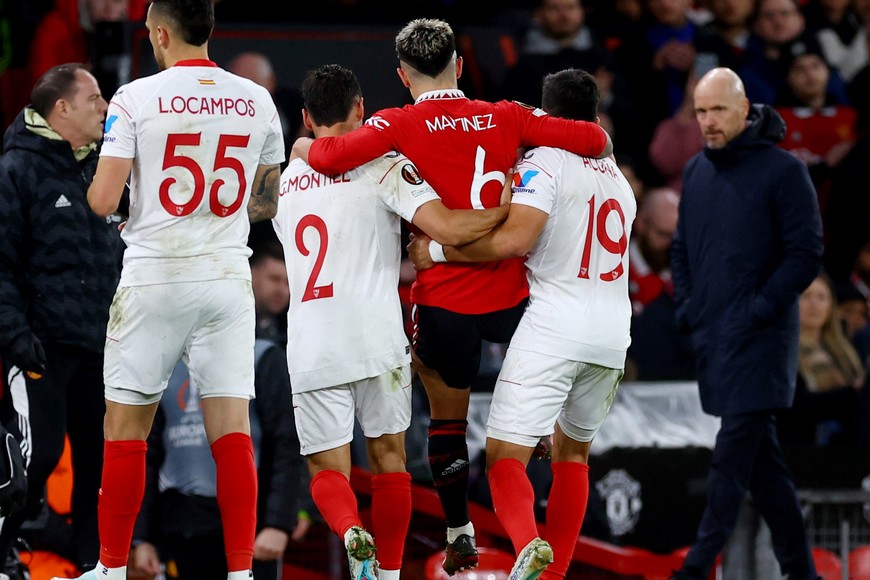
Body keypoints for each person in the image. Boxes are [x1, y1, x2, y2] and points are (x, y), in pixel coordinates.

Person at [292, 18, 612, 574]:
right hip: (513, 297)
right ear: (460, 66)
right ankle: (538, 466)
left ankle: (458, 528)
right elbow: (595, 139)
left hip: (444, 300)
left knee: (447, 422)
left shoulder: (397, 122)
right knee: (546, 432)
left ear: (402, 75)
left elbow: (326, 158)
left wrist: (302, 143)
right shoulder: (507, 114)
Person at [51, 0, 285, 578]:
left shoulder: (136, 96)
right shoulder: (256, 99)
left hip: (156, 274)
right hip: (228, 277)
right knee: (232, 432)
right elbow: (267, 202)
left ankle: (108, 569)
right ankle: (240, 571)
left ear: (159, 32)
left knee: (125, 427)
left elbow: (104, 201)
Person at [275, 63, 510, 580]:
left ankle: (348, 528)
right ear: (361, 110)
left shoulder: (286, 178)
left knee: (325, 468)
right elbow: (447, 225)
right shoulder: (384, 166)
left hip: (313, 343)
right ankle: (388, 573)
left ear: (306, 119)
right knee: (390, 461)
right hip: (379, 339)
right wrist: (504, 215)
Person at [408, 68, 636, 580]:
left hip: (557, 324)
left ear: (546, 117)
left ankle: (529, 546)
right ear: (594, 119)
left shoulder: (545, 161)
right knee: (572, 456)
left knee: (504, 458)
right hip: (612, 334)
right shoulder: (619, 178)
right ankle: (553, 577)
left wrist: (440, 251)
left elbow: (515, 240)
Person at [670, 67, 823, 580]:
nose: (708, 122)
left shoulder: (784, 171)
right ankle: (802, 572)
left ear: (744, 107)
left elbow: (806, 256)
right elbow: (681, 249)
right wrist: (690, 305)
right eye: (700, 112)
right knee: (767, 475)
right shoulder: (695, 171)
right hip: (714, 337)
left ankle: (695, 567)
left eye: (716, 110)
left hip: (761, 341)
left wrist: (757, 309)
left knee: (730, 461)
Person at [0, 63, 121, 578]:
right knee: (38, 456)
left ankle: (93, 563)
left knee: (102, 468)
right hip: (41, 344)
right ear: (62, 108)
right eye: (94, 98)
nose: (104, 106)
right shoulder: (16, 169)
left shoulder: (108, 168)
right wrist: (15, 335)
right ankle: (3, 544)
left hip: (102, 346)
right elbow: (1, 262)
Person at [130, 338, 304, 580]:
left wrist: (278, 523)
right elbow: (147, 455)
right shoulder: (166, 363)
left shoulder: (262, 356)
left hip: (252, 529)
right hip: (180, 527)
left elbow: (286, 444)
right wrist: (142, 539)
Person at [249, 240, 290, 345]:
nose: (282, 291)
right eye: (275, 279)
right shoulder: (230, 323)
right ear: (252, 274)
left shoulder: (292, 333)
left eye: (288, 284)